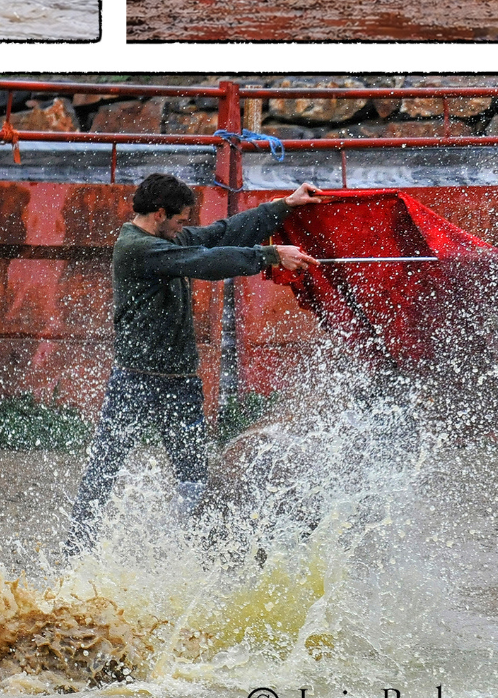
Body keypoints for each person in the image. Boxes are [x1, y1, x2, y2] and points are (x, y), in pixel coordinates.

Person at [60, 173, 320, 553]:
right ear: (160, 213)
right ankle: (75, 552)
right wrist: (271, 255)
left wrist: (283, 206)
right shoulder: (136, 247)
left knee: (193, 476)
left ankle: (191, 552)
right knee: (104, 469)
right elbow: (204, 261)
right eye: (181, 219)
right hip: (135, 380)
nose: (186, 227)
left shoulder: (167, 237)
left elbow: (221, 233)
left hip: (179, 380)